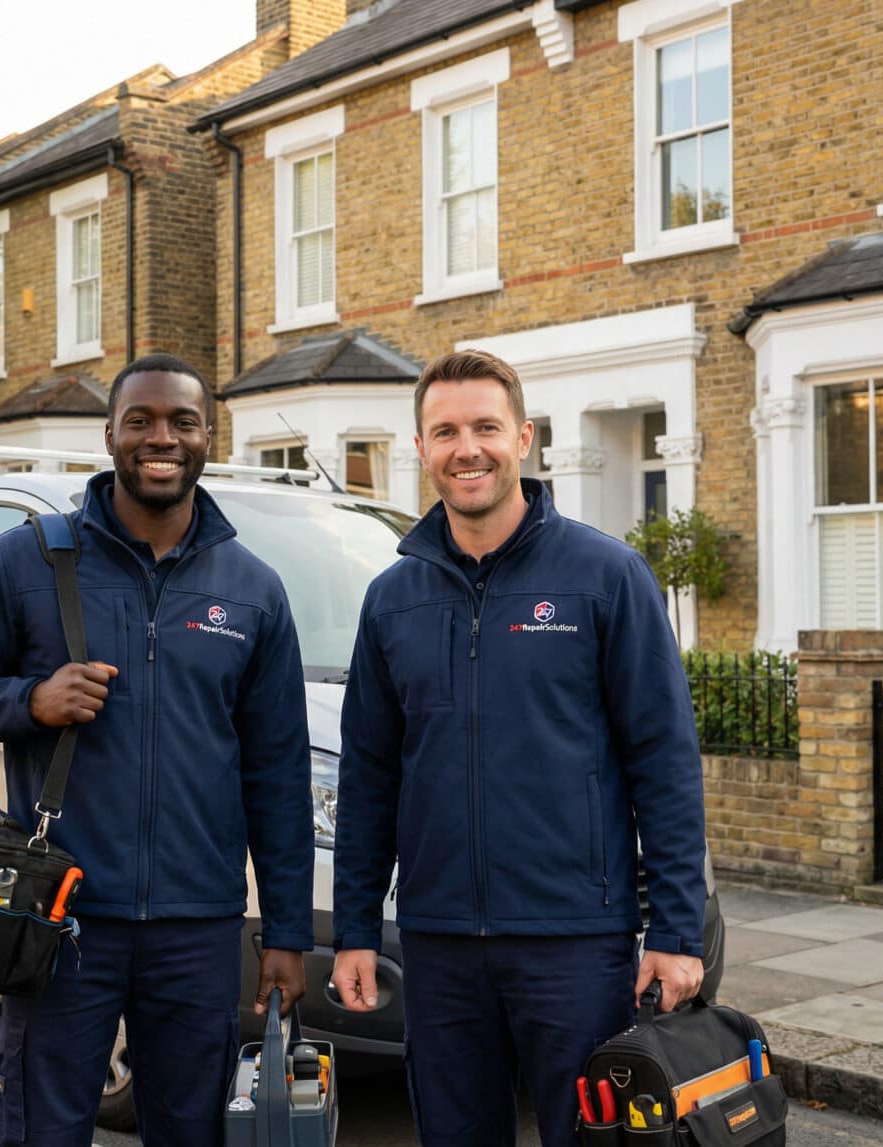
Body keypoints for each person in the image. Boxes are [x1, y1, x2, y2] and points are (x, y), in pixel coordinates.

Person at [0, 354, 314, 1147]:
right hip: (61, 916)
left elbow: (277, 774)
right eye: (141, 421)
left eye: (182, 422)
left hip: (198, 927)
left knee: (191, 1131)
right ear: (110, 436)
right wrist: (30, 700)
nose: (162, 438)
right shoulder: (28, 559)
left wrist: (288, 933)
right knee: (43, 1129)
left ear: (208, 435)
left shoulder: (252, 589)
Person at [329, 350, 708, 1147]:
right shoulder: (391, 599)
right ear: (422, 448)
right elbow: (370, 774)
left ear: (524, 437)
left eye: (486, 427)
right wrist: (356, 928)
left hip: (574, 940)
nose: (467, 448)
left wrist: (675, 932)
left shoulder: (606, 576)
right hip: (437, 942)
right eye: (445, 432)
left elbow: (664, 761)